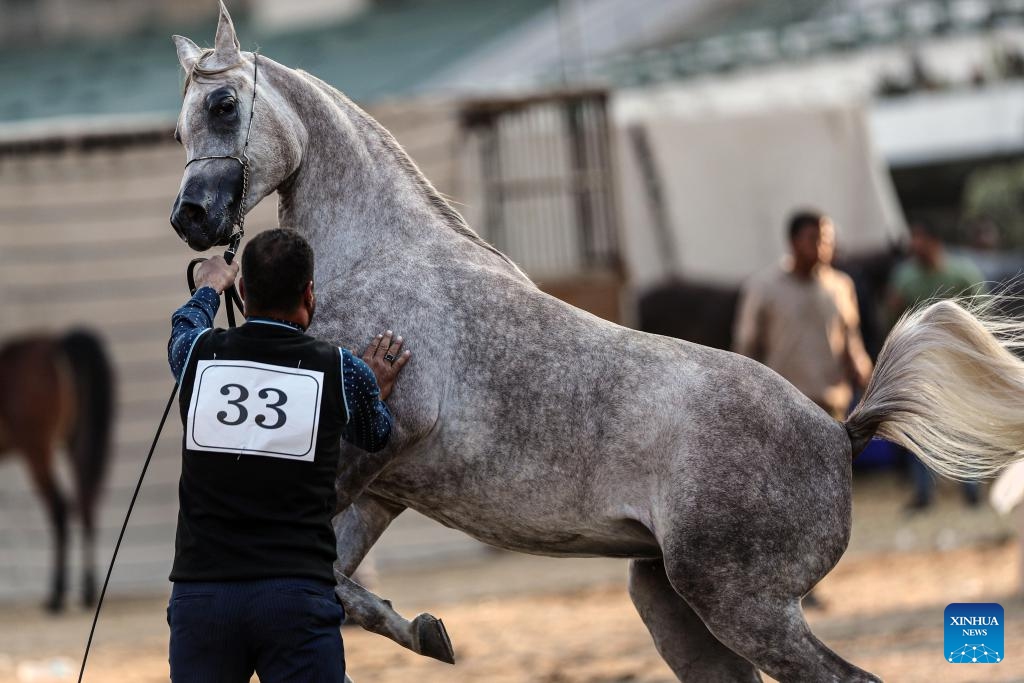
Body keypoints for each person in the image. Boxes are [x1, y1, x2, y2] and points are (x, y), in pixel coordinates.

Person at [165, 228, 410, 683]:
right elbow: (376, 435)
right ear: (309, 293)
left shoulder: (199, 353)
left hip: (203, 600)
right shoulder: (341, 370)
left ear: (242, 291)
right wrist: (372, 390)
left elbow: (184, 327)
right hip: (295, 598)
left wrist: (206, 288)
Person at [733, 210, 873, 421]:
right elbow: (746, 345)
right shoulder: (764, 287)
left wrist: (864, 373)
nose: (822, 246)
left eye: (827, 240)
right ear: (793, 242)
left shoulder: (841, 286)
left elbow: (851, 339)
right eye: (814, 239)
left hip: (832, 406)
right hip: (782, 405)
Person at [888, 217, 985, 511]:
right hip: (923, 366)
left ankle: (971, 490)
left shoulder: (962, 272)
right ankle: (923, 493)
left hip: (959, 362)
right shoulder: (904, 276)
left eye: (920, 240)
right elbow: (894, 319)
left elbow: (980, 315)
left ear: (934, 242)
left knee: (964, 425)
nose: (915, 246)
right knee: (920, 427)